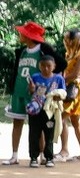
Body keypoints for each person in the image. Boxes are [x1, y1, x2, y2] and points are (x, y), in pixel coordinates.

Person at [8, 23, 62, 165]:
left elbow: (61, 63)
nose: (20, 35)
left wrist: (51, 81)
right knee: (17, 122)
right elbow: (16, 70)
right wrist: (12, 87)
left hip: (37, 93)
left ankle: (43, 155)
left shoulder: (43, 49)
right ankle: (14, 155)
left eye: (22, 33)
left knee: (40, 124)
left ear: (29, 36)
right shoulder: (21, 51)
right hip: (20, 90)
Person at [58, 29, 80, 163]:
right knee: (75, 121)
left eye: (68, 39)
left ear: (76, 40)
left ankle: (65, 150)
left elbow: (74, 74)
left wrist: (59, 81)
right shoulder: (70, 54)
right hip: (70, 87)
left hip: (76, 91)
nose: (66, 41)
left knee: (61, 118)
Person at [24, 54, 66, 166]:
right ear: (39, 66)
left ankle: (49, 158)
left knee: (49, 135)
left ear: (54, 66)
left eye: (48, 66)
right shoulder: (35, 77)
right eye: (43, 66)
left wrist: (58, 96)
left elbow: (63, 93)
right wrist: (31, 89)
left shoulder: (58, 78)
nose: (46, 68)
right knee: (34, 134)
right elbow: (30, 92)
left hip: (50, 111)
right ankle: (33, 157)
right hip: (36, 110)